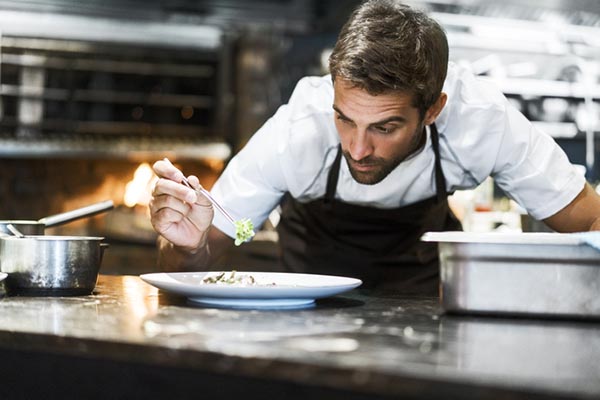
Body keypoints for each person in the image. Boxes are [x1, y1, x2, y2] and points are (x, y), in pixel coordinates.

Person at [149, 0, 600, 295]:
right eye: (345, 118)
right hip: (306, 302)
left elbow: (590, 220)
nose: (358, 148)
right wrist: (187, 247)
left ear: (432, 110)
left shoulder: (482, 122)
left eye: (385, 127)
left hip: (423, 300)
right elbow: (200, 256)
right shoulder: (296, 130)